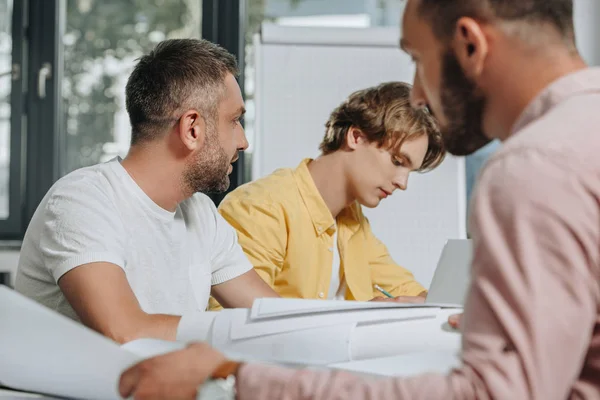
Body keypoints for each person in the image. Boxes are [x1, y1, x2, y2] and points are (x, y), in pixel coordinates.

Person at [118, 0, 600, 398]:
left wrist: (239, 377)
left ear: (470, 44)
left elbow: (491, 393)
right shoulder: (578, 138)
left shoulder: (536, 167)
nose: (418, 91)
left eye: (417, 58)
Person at [14, 38, 278, 344]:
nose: (243, 141)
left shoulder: (202, 214)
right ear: (192, 128)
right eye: (235, 121)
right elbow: (126, 332)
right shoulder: (81, 201)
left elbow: (272, 319)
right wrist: (237, 331)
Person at [208, 82, 445, 310]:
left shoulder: (353, 223)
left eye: (409, 171)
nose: (402, 183)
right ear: (356, 137)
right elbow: (232, 321)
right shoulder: (261, 206)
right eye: (397, 161)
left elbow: (412, 292)